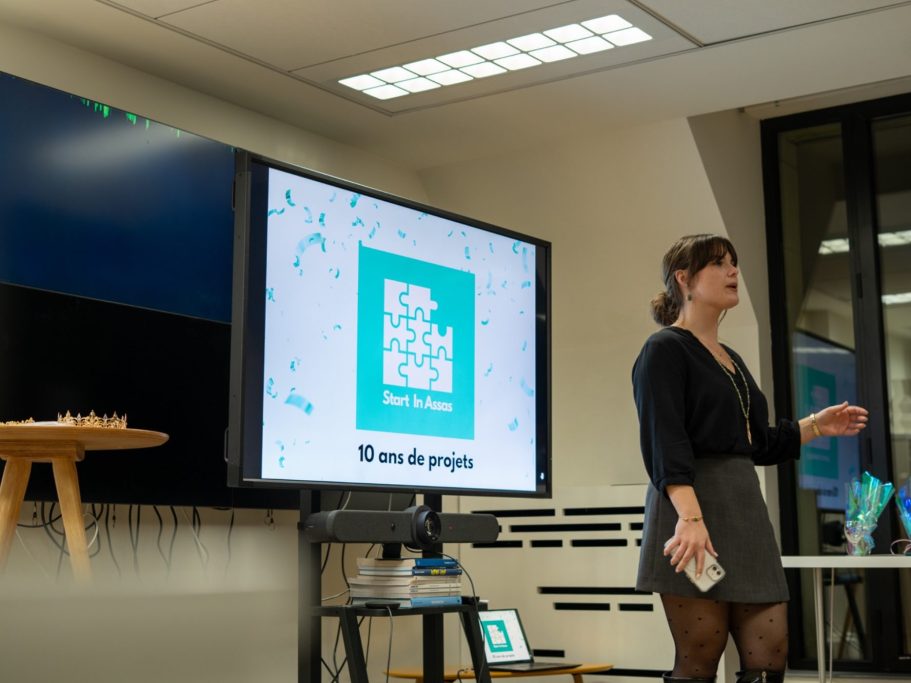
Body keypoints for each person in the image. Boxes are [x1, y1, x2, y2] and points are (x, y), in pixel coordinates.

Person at [632, 234, 868, 683]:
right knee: (701, 655)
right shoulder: (664, 349)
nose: (733, 271)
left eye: (734, 262)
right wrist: (690, 520)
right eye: (719, 263)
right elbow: (665, 442)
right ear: (684, 278)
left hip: (744, 509)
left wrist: (817, 425)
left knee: (770, 654)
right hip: (691, 511)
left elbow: (757, 443)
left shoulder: (731, 359)